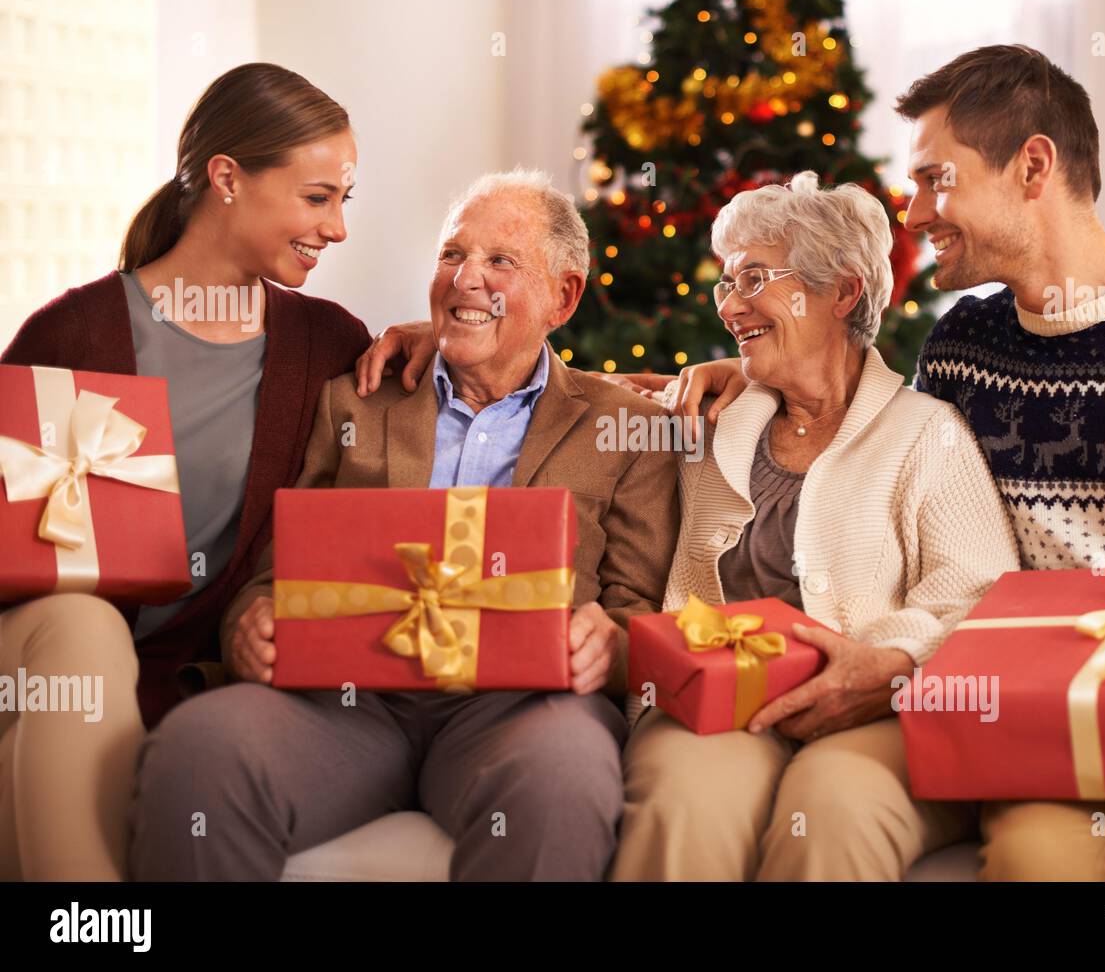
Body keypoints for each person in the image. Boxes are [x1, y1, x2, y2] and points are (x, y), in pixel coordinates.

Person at [644, 46, 1105, 881]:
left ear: (1033, 166)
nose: (913, 215)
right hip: (1056, 731)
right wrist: (751, 372)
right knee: (1038, 863)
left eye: (934, 180)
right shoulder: (964, 350)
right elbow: (864, 433)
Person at [129, 169, 680, 882]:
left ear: (563, 296)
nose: (465, 280)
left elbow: (641, 618)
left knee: (564, 778)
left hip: (521, 712)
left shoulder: (628, 429)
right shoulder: (352, 399)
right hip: (345, 705)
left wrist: (611, 644)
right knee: (200, 748)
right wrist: (252, 620)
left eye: (500, 262)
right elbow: (274, 569)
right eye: (452, 256)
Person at [0, 62, 420, 880]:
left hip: (201, 680)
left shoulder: (330, 344)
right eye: (317, 197)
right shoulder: (72, 335)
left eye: (344, 200)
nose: (337, 229)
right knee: (85, 630)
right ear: (227, 177)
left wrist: (442, 337)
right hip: (42, 656)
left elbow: (418, 448)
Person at [602, 171, 1018, 881]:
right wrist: (451, 327)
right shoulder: (707, 418)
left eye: (754, 278)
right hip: (722, 700)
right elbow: (559, 392)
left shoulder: (926, 434)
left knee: (833, 805)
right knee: (685, 800)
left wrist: (888, 661)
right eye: (726, 284)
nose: (731, 306)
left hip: (883, 711)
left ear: (843, 291)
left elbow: (979, 596)